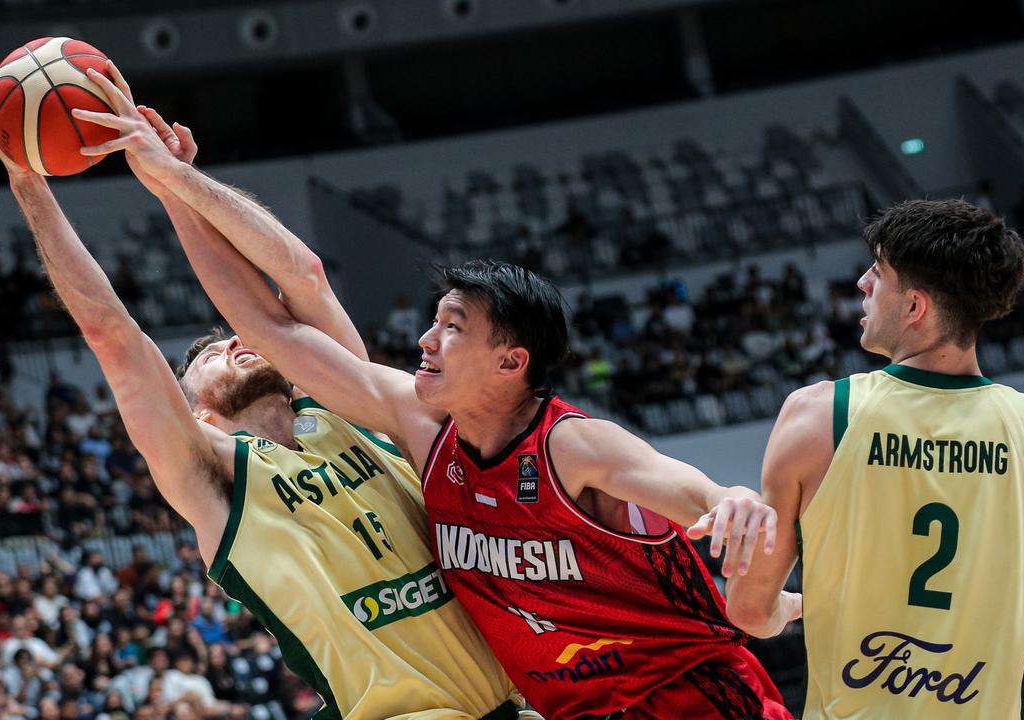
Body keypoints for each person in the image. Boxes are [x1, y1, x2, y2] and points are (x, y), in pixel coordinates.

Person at [75, 65, 791, 719]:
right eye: (434, 320)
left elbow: (699, 496)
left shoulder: (574, 446)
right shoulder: (423, 428)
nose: (425, 339)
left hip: (689, 697)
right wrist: (172, 182)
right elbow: (263, 321)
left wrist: (738, 528)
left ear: (510, 363)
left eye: (452, 328)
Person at [0, 71, 523, 720]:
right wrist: (26, 184)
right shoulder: (215, 478)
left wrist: (177, 184)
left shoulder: (356, 409)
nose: (233, 343)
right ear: (200, 414)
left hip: (522, 698)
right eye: (210, 355)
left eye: (234, 339)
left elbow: (305, 277)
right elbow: (114, 336)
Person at [729, 199, 1024, 718]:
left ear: (915, 308)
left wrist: (786, 609)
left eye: (878, 273)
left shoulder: (816, 418)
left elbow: (750, 609)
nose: (863, 284)